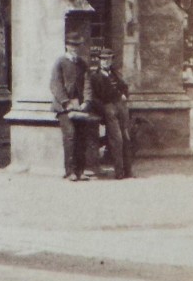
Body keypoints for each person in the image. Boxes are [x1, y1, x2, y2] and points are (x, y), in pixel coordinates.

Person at [49, 33, 97, 181]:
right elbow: (55, 85)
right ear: (67, 46)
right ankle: (70, 171)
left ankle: (80, 171)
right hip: (64, 107)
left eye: (77, 46)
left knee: (82, 138)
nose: (75, 48)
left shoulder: (82, 64)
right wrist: (66, 102)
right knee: (70, 137)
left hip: (80, 107)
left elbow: (88, 84)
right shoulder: (60, 62)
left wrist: (86, 102)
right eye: (72, 45)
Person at [89, 47, 133, 179]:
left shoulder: (115, 73)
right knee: (117, 139)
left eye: (108, 59)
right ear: (99, 60)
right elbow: (96, 97)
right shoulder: (95, 76)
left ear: (111, 60)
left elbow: (124, 87)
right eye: (103, 59)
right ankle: (119, 172)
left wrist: (124, 95)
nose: (105, 62)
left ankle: (128, 171)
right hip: (108, 108)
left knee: (126, 137)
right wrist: (104, 109)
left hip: (121, 107)